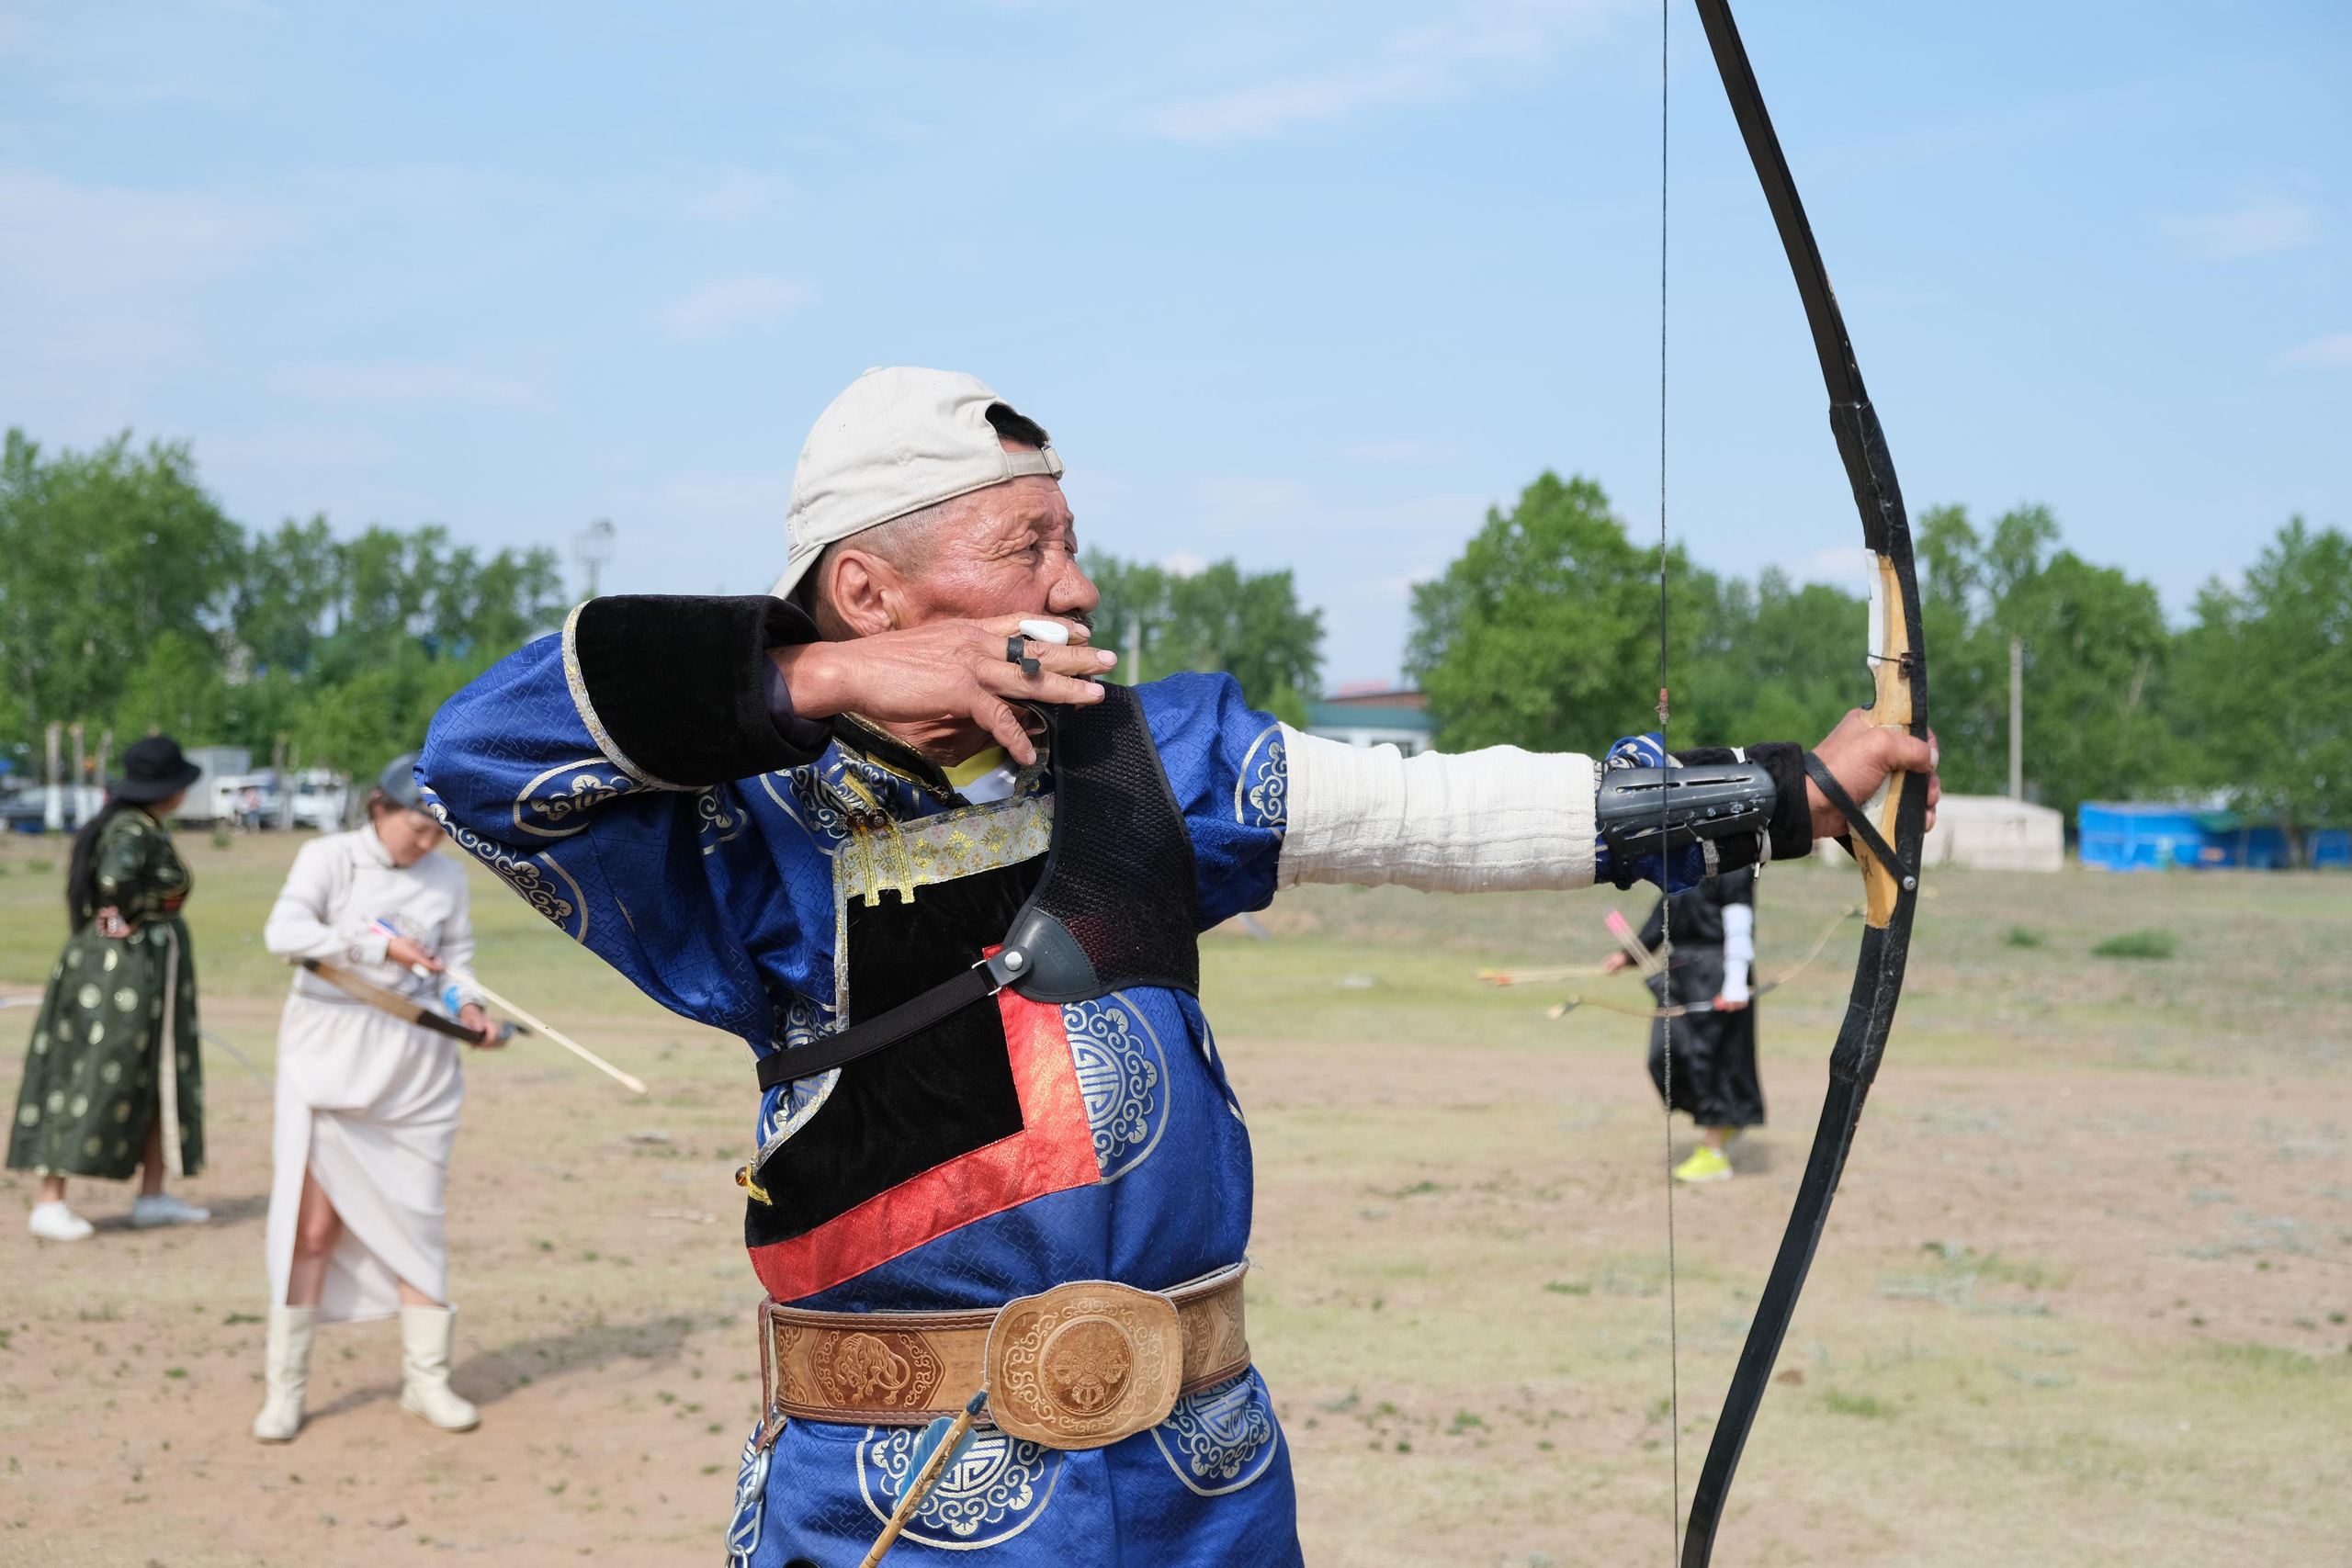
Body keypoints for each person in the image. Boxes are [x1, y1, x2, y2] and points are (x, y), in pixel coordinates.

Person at [417, 367, 1938, 1565]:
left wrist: (1776, 795)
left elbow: (1437, 809)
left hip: (1202, 1490)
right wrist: (811, 679)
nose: (1076, 586)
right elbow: (480, 757)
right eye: (1029, 546)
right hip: (900, 1506)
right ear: (870, 591)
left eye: (1072, 541)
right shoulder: (751, 824)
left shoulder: (1152, 757)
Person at [251, 753, 502, 1444]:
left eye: (437, 832)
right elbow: (285, 933)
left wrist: (470, 1005)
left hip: (415, 1074)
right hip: (328, 1061)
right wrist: (379, 949)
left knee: (415, 1224)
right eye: (418, 827)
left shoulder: (447, 878)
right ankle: (285, 1389)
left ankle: (428, 1381)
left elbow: (456, 964)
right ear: (379, 809)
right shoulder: (326, 856)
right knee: (311, 1229)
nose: (427, 843)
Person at [10, 735, 210, 1240]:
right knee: (91, 1069)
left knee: (155, 1072)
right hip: (117, 971)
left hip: (141, 966)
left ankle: (152, 1194)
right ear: (171, 791)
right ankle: (49, 1199)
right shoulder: (130, 829)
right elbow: (113, 881)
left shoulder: (140, 825)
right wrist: (132, 914)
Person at [1604, 866, 1763, 1183]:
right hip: (1681, 973)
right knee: (1665, 1055)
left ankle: (1714, 1153)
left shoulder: (1734, 862)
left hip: (1717, 973)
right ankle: (1724, 1117)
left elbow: (1739, 925)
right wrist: (1628, 956)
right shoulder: (1684, 864)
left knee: (1709, 1061)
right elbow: (1664, 916)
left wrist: (1733, 981)